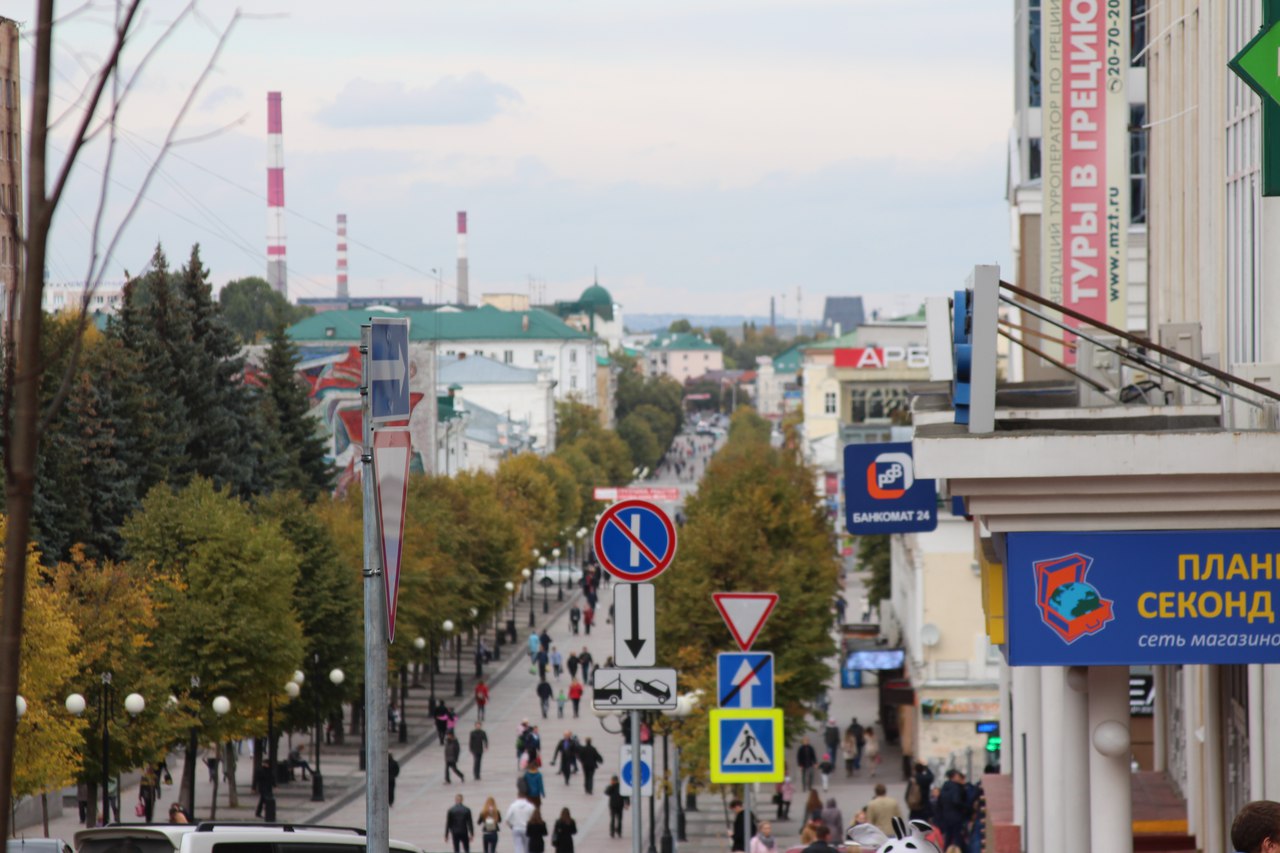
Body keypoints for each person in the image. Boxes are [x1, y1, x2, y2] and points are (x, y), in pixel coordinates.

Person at [936, 770, 971, 850]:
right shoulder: (956, 787)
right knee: (957, 838)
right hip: (956, 817)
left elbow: (939, 804)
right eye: (958, 776)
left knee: (948, 839)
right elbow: (957, 801)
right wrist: (967, 808)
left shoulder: (944, 788)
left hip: (946, 817)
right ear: (954, 776)